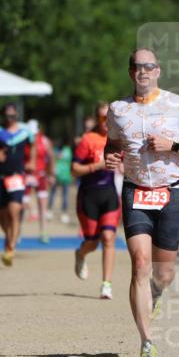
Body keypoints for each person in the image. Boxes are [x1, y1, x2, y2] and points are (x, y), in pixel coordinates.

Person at [104, 48, 179, 357]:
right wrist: (109, 156)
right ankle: (146, 342)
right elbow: (112, 144)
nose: (143, 72)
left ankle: (157, 292)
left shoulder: (177, 105)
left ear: (158, 71)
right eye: (137, 67)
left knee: (164, 273)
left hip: (171, 192)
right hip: (136, 192)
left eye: (148, 67)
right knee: (140, 262)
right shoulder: (118, 109)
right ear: (130, 72)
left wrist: (173, 145)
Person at [72, 103, 120, 300]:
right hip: (88, 195)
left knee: (108, 238)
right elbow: (74, 169)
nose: (106, 122)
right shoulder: (88, 139)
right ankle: (81, 254)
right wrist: (97, 166)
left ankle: (106, 284)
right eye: (102, 118)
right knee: (92, 242)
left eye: (109, 117)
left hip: (109, 193)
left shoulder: (119, 137)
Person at [0, 103, 32, 266]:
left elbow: (34, 146)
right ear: (3, 116)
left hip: (16, 177)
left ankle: (10, 249)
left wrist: (31, 161)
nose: (9, 119)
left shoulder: (25, 131)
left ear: (17, 116)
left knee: (14, 212)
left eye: (13, 116)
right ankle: (9, 235)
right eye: (7, 116)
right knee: (2, 216)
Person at [51, 140, 74, 224]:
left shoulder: (68, 150)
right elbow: (52, 161)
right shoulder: (55, 150)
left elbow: (71, 162)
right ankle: (49, 210)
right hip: (56, 176)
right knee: (53, 193)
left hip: (65, 176)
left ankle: (64, 213)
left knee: (65, 195)